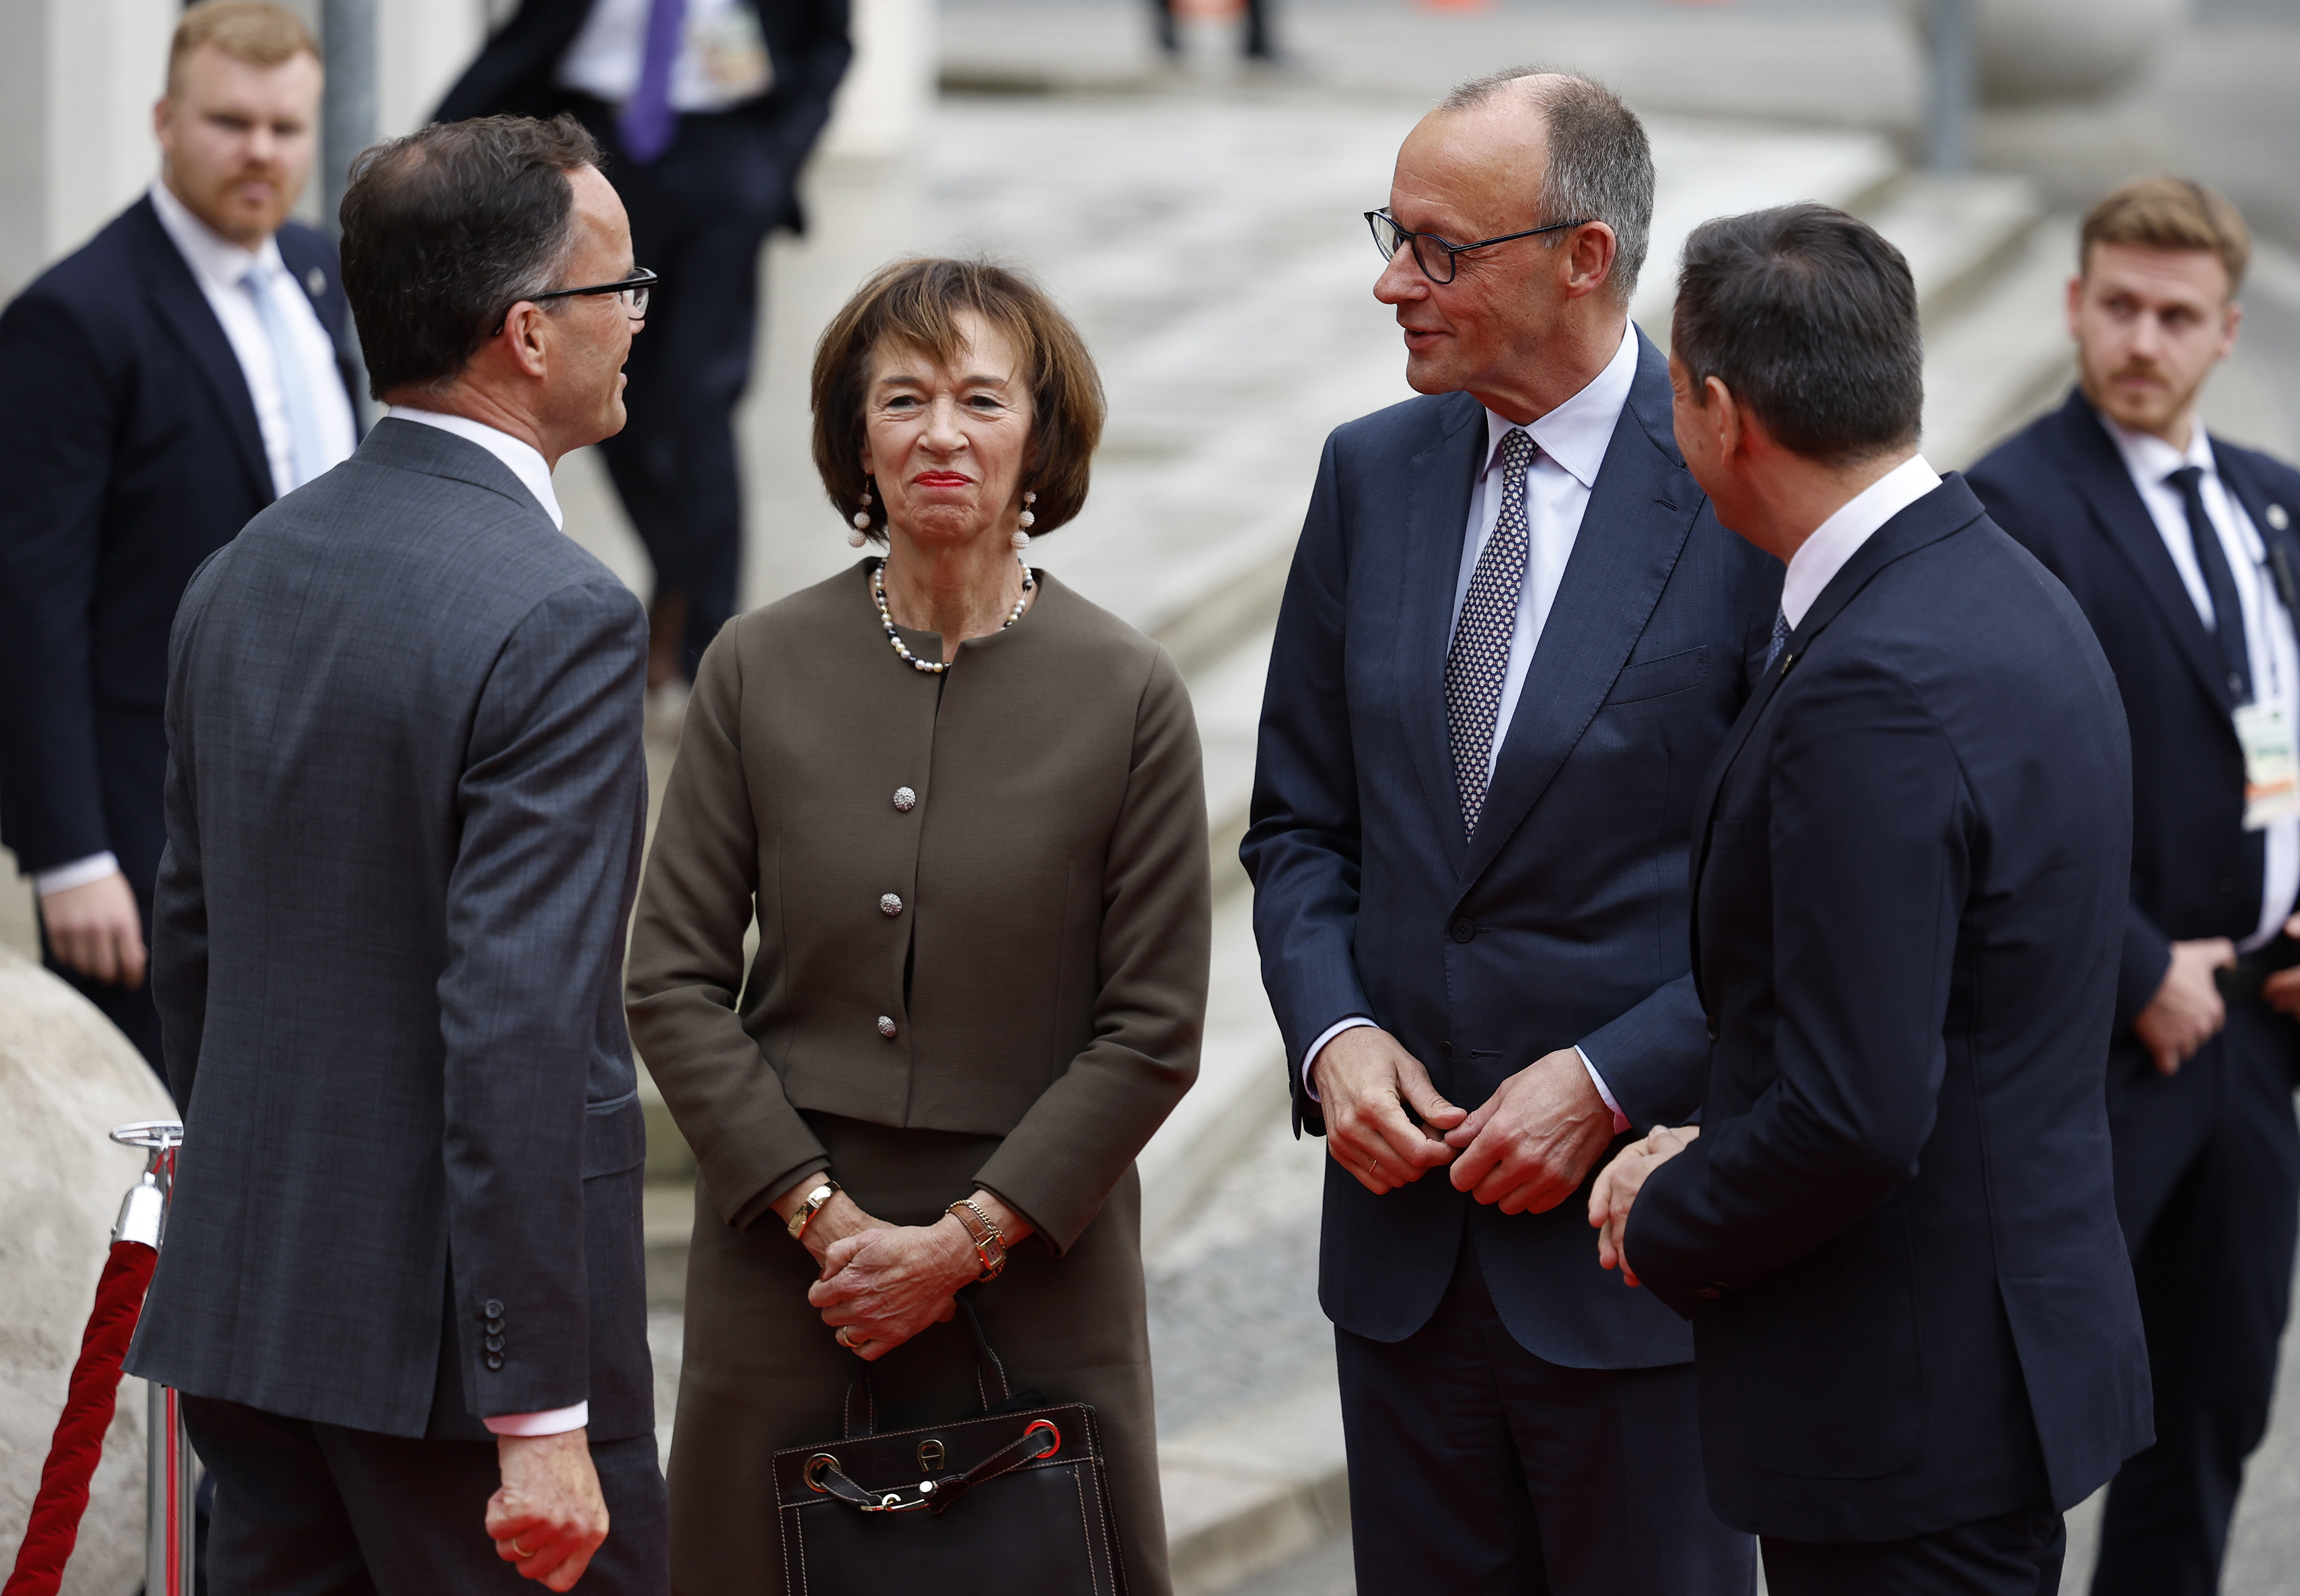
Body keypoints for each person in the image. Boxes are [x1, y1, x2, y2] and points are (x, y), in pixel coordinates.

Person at [1241, 69, 1778, 1596]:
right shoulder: (1369, 473)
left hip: (1638, 1261)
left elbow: (1798, 892)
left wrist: (1612, 1077)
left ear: (1582, 259)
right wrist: (1333, 1034)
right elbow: (1298, 824)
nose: (1391, 282)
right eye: (1392, 236)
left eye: (1440, 249)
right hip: (1402, 1265)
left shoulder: (1738, 486)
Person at [123, 115, 668, 1594]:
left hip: (255, 1318)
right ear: (527, 334)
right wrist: (537, 1411)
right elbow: (518, 1025)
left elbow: (197, 955)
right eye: (619, 288)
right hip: (459, 1377)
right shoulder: (560, 613)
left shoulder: (237, 574)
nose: (636, 319)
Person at [1587, 203, 2151, 1596]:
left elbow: (1856, 1110)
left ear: (1720, 415)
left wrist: (1665, 1212)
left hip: (1902, 1409)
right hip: (1985, 1365)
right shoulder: (1999, 584)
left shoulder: (1868, 688)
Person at [625, 256, 1210, 1594]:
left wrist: (963, 1243)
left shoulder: (1127, 691)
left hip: (1035, 1261)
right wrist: (826, 1220)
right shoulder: (752, 665)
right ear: (857, 439)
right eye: (902, 399)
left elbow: (1153, 1025)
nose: (941, 434)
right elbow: (669, 979)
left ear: (1039, 440)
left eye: (980, 399)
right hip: (789, 1262)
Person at [1966, 178, 2300, 1595]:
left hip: (2262, 1031)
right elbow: (1996, 797)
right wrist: (2137, 964)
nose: (2141, 340)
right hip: (2097, 1050)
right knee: (2023, 1430)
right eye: (2118, 306)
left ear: (2225, 332)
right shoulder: (2010, 509)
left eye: (2174, 314)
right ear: (2072, 305)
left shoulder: (2277, 502)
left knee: (2210, 1413)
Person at [0, 0, 360, 1078]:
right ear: (165, 120)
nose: (261, 151)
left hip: (326, 797)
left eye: (285, 128)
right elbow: (29, 601)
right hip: (149, 831)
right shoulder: (75, 317)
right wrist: (68, 852)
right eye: (229, 122)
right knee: (158, 1132)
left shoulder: (320, 274)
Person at [437, 0, 852, 699]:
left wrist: (774, 161)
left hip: (725, 152)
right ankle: (680, 583)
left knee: (699, 402)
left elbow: (829, 42)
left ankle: (707, 656)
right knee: (599, 394)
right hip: (591, 145)